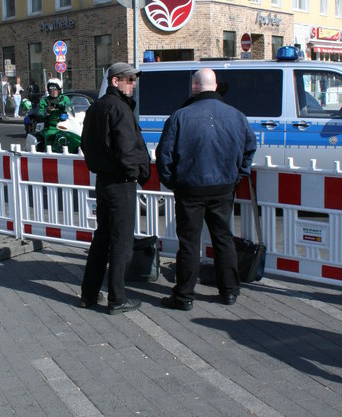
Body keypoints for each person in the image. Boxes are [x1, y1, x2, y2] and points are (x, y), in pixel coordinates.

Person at [155, 68, 256, 311]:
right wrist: (237, 176)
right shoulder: (237, 116)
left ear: (195, 87)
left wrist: (173, 182)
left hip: (190, 188)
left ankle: (184, 296)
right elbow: (249, 148)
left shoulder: (180, 116)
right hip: (223, 187)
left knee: (189, 242)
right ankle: (229, 291)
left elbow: (163, 155)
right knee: (223, 238)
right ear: (215, 86)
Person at [79, 63, 151, 315]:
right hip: (120, 183)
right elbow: (127, 149)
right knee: (121, 244)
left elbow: (85, 143)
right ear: (114, 81)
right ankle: (117, 298)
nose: (133, 84)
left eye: (134, 79)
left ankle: (88, 294)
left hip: (104, 181)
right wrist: (135, 174)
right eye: (129, 79)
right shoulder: (119, 108)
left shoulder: (96, 107)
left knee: (102, 240)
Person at [37, 78, 72, 150]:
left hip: (65, 125)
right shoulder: (44, 100)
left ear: (59, 90)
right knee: (49, 141)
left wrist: (62, 107)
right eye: (51, 90)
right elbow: (40, 114)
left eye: (55, 90)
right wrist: (47, 110)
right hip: (51, 127)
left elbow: (71, 110)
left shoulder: (65, 99)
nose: (53, 92)